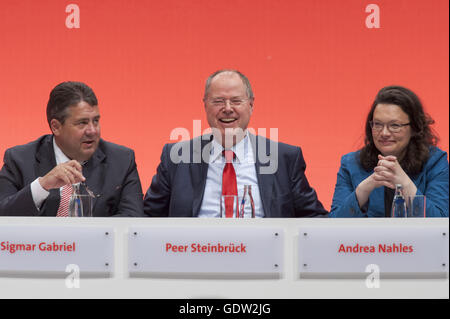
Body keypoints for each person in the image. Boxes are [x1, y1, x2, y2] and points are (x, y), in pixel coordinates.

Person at [143, 70, 327, 217]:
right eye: (218, 101)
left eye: (236, 101)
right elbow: (146, 219)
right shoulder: (176, 157)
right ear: (205, 105)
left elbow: (314, 219)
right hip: (195, 256)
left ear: (251, 105)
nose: (228, 109)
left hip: (262, 259)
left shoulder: (284, 158)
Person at [0, 81, 144, 217]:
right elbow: (3, 214)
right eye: (82, 123)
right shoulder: (19, 159)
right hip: (42, 244)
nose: (92, 131)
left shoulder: (121, 160)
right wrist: (42, 186)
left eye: (96, 121)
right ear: (56, 126)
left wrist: (82, 237)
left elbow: (132, 219)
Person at [330, 86, 448, 218]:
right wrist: (363, 190)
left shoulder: (435, 162)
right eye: (378, 124)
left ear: (414, 128)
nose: (384, 133)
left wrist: (405, 183)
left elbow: (441, 224)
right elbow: (334, 224)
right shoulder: (351, 163)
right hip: (368, 239)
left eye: (395, 125)